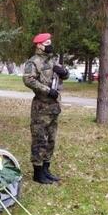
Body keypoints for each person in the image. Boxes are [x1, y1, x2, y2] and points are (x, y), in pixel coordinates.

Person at [22, 33, 69, 184]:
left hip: (54, 107)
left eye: (50, 41)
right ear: (39, 45)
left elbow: (63, 74)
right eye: (47, 42)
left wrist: (64, 73)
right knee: (39, 140)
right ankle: (38, 172)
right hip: (41, 107)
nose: (50, 44)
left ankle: (46, 170)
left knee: (51, 139)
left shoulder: (53, 60)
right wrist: (48, 91)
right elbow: (28, 80)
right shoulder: (33, 62)